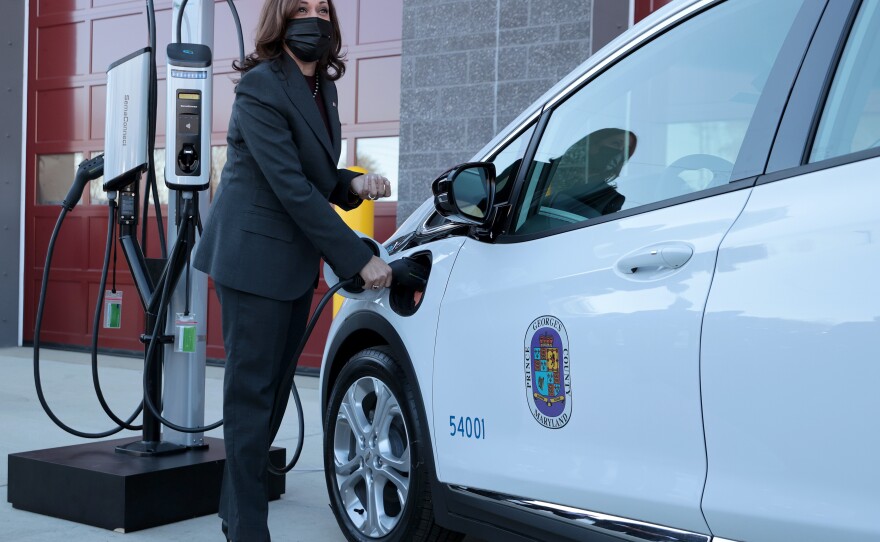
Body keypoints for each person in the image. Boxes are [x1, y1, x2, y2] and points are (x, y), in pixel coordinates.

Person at [192, 1, 392, 540]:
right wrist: (357, 257)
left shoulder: (320, 88)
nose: (314, 16)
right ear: (280, 18)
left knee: (272, 399)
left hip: (289, 265)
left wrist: (351, 183)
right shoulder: (261, 85)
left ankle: (234, 511)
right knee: (252, 401)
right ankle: (248, 531)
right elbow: (290, 188)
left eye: (323, 7)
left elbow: (316, 173)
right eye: (301, 6)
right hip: (252, 261)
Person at [549, 127, 638, 217]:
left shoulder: (609, 198)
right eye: (616, 143)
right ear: (593, 144)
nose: (619, 151)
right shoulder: (546, 172)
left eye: (625, 151)